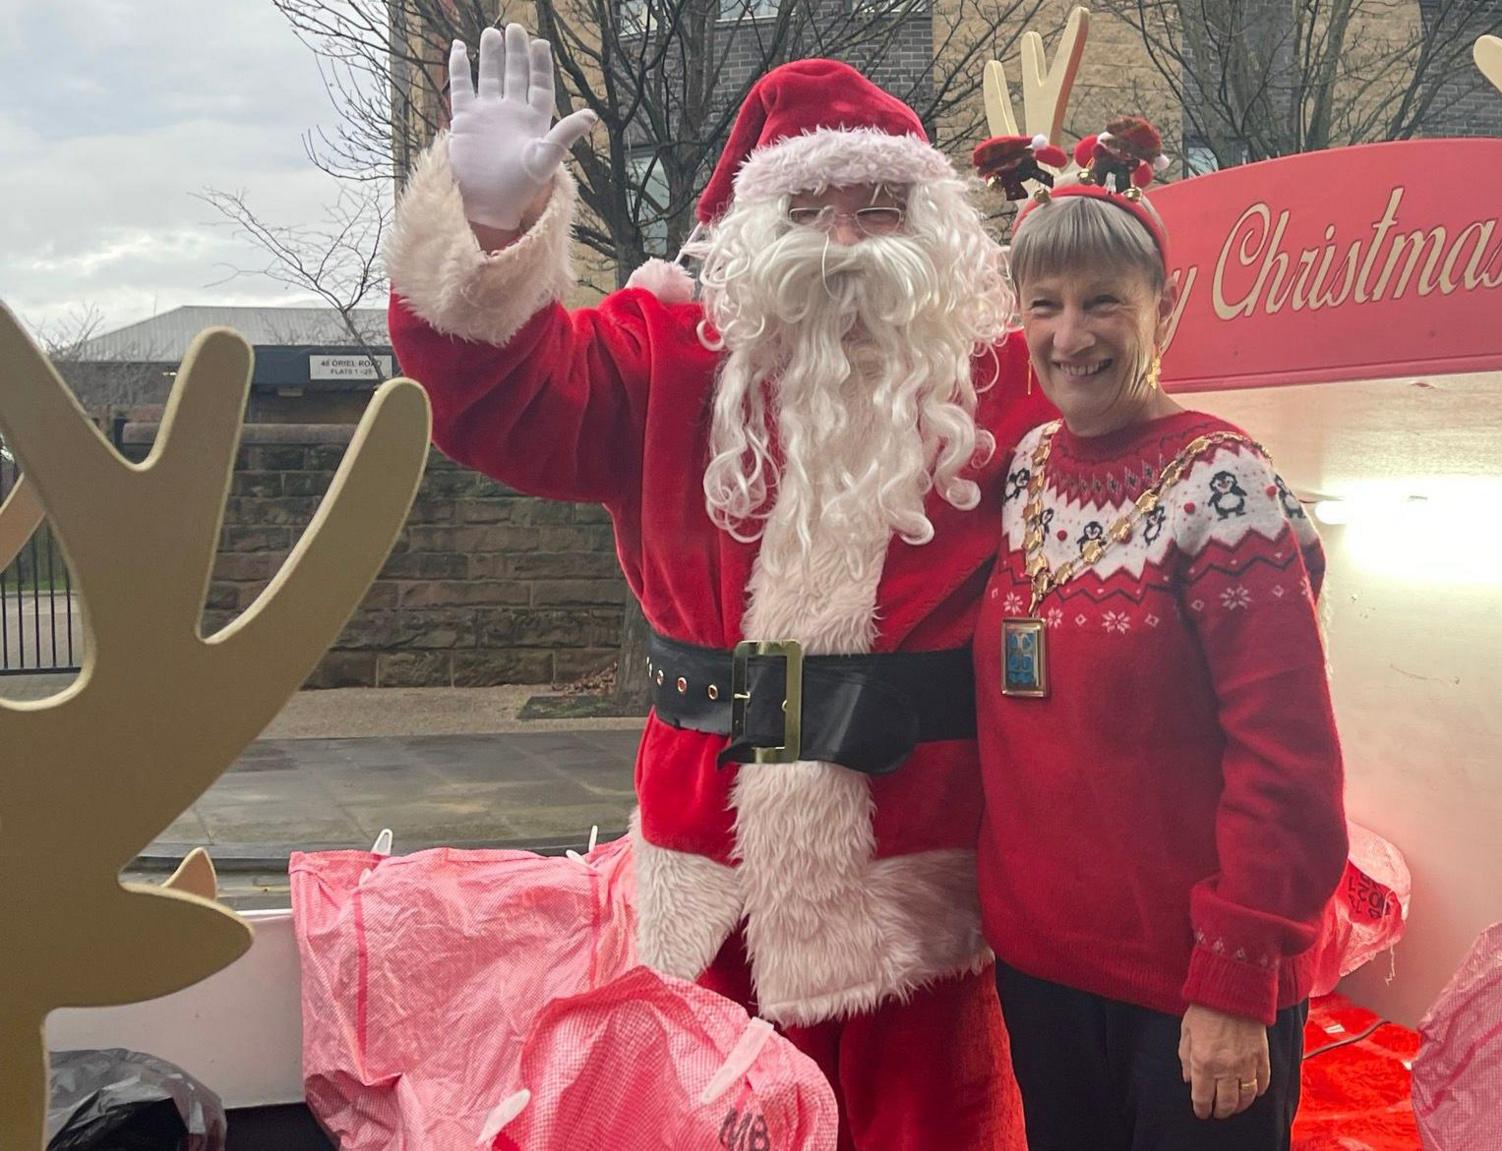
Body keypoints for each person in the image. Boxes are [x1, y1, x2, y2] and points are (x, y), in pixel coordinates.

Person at [384, 25, 1052, 1149]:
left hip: (923, 877)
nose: (844, 238)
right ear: (750, 225)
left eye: (877, 206)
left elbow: (1105, 524)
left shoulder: (1003, 377)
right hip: (711, 866)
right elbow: (502, 399)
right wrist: (490, 228)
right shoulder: (665, 352)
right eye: (808, 209)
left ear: (930, 225)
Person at [969, 119, 1349, 1149]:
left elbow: (1288, 760)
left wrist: (1237, 978)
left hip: (1192, 985)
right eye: (1042, 305)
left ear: (1162, 310)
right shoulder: (1022, 469)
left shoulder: (1223, 483)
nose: (1068, 334)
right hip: (1042, 971)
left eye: (1102, 302)